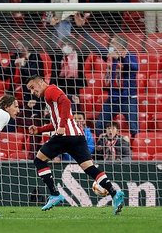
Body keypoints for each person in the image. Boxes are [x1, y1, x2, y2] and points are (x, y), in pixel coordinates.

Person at [25, 75, 125, 215]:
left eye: (32, 87)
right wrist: (40, 130)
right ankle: (115, 193)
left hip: (65, 136)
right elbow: (57, 121)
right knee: (89, 167)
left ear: (41, 82)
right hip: (77, 136)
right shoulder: (52, 94)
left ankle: (54, 194)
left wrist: (61, 126)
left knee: (39, 160)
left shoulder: (49, 90)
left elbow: (66, 102)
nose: (32, 92)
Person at [95, 35, 139, 138]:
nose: (110, 45)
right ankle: (105, 147)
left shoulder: (129, 56)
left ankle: (132, 151)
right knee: (99, 125)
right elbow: (95, 47)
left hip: (128, 99)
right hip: (112, 98)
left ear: (120, 46)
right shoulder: (110, 57)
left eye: (113, 43)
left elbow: (135, 67)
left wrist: (121, 57)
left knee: (134, 128)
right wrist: (83, 28)